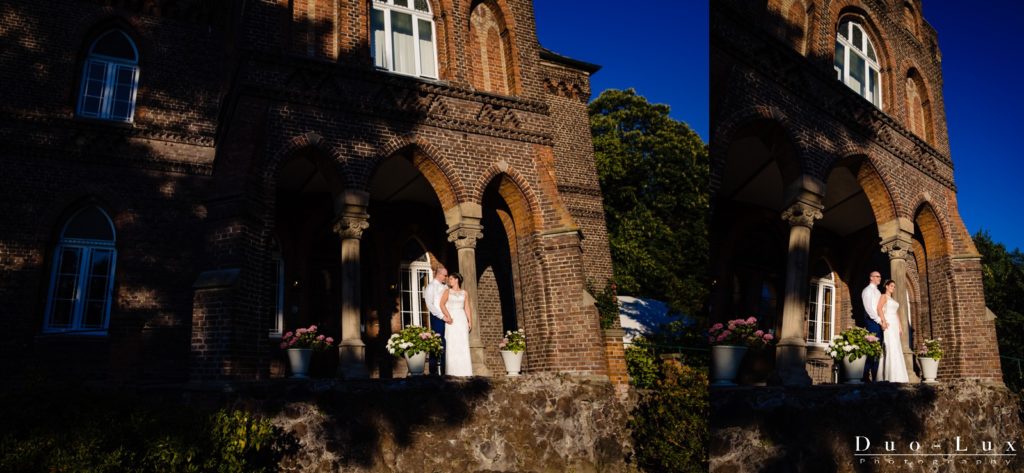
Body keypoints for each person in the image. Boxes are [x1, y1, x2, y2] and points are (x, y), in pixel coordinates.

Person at [440, 272, 473, 377]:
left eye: (451, 279)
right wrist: (448, 316)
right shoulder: (447, 291)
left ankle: (465, 372)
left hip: (461, 319)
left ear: (456, 280)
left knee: (463, 343)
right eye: (449, 279)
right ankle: (452, 372)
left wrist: (470, 321)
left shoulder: (464, 293)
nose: (449, 281)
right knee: (452, 344)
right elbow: (441, 304)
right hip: (452, 320)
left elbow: (467, 307)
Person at [876, 279, 909, 383]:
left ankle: (898, 375)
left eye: (894, 287)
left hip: (894, 324)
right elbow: (879, 308)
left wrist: (900, 326)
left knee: (896, 346)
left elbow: (896, 314)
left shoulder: (892, 299)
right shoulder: (883, 296)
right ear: (886, 286)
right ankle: (888, 375)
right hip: (888, 322)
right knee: (890, 346)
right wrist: (884, 321)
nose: (893, 288)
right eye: (891, 286)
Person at [423, 265, 450, 375]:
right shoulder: (431, 287)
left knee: (445, 342)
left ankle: (445, 369)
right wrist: (441, 316)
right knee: (437, 342)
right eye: (445, 275)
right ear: (439, 274)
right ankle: (433, 371)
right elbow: (430, 305)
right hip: (437, 317)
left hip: (446, 317)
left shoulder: (445, 286)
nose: (446, 277)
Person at [860, 271, 884, 382]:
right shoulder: (867, 291)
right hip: (872, 322)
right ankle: (865, 375)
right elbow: (869, 309)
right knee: (871, 349)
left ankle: (875, 376)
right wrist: (879, 321)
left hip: (879, 322)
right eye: (877, 276)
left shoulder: (878, 291)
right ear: (871, 278)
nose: (879, 278)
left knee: (877, 349)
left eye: (880, 276)